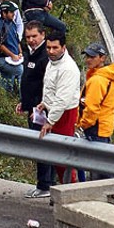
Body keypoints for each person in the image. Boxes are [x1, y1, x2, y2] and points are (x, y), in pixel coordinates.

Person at [37, 32, 82, 183]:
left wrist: (50, 121)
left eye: (55, 47)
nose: (51, 51)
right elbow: (50, 86)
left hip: (65, 114)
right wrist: (45, 103)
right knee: (57, 157)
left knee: (63, 156)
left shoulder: (68, 68)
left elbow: (62, 99)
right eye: (48, 47)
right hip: (54, 112)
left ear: (63, 48)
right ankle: (64, 187)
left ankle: (71, 189)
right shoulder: (53, 61)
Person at [18, 20, 54, 199]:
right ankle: (46, 184)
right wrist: (23, 103)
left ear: (42, 35)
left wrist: (38, 108)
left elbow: (46, 86)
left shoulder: (44, 57)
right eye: (28, 37)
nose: (31, 40)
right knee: (40, 147)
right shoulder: (31, 54)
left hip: (41, 111)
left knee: (42, 148)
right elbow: (29, 81)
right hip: (32, 108)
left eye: (34, 36)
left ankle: (45, 185)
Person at [77, 43, 114, 180]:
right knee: (101, 166)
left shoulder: (98, 79)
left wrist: (82, 124)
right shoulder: (107, 76)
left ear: (102, 58)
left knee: (99, 170)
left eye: (92, 56)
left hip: (96, 128)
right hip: (103, 127)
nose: (88, 60)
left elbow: (92, 108)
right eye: (87, 56)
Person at [0, 0, 23, 93]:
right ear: (4, 13)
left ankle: (8, 97)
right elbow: (0, 46)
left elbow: (17, 41)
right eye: (11, 12)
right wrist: (12, 55)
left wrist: (20, 53)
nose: (13, 14)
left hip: (13, 59)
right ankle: (24, 100)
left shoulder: (13, 24)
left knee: (6, 83)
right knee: (21, 70)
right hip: (1, 59)